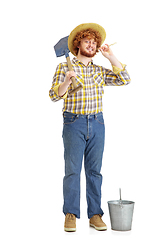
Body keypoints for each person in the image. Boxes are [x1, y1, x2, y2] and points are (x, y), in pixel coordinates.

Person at [49, 23, 131, 232]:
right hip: (73, 123)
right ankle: (70, 214)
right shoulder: (65, 68)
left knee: (94, 172)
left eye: (94, 42)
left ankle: (95, 214)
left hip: (97, 123)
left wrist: (111, 56)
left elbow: (124, 79)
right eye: (87, 41)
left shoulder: (98, 71)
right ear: (78, 45)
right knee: (72, 171)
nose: (92, 45)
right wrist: (67, 81)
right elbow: (54, 95)